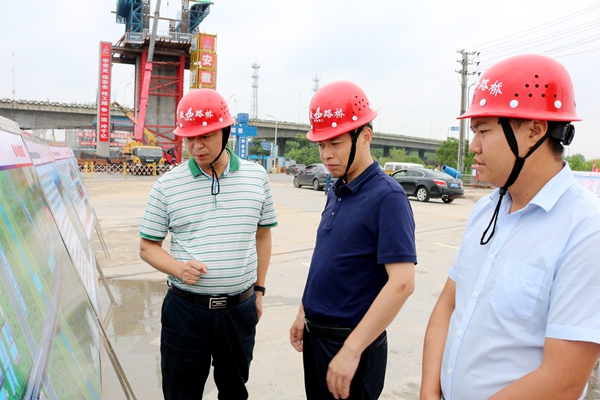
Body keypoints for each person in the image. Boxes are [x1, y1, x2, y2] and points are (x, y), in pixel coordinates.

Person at [420, 54, 600, 400]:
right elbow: (447, 307)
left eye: (483, 130)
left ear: (534, 130)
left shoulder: (586, 230)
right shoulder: (485, 210)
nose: (473, 146)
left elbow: (563, 380)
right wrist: (429, 391)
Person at [139, 88, 278, 400]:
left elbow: (263, 234)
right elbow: (147, 247)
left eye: (205, 136)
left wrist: (258, 290)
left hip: (238, 311)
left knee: (234, 391)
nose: (196, 146)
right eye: (189, 138)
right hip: (185, 312)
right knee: (180, 393)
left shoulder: (257, 178)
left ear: (225, 132)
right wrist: (178, 268)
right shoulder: (167, 185)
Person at [289, 81, 417, 399]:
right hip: (317, 338)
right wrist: (304, 312)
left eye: (335, 143)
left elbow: (402, 283)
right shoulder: (337, 189)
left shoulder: (387, 196)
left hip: (352, 345)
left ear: (365, 136)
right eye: (321, 145)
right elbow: (328, 259)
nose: (326, 155)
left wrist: (352, 350)